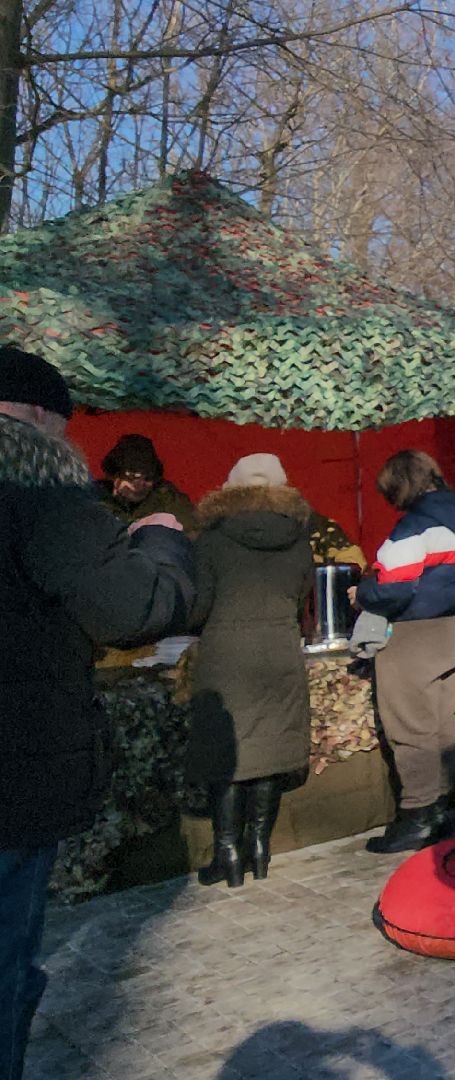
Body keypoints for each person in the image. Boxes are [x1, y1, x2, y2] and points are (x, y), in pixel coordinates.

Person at [1, 347, 195, 1080]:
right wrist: (162, 542)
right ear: (38, 417)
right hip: (16, 775)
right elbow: (137, 608)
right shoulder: (41, 499)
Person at [183, 454, 315, 887]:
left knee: (229, 754)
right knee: (270, 752)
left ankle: (228, 854)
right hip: (280, 651)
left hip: (226, 655)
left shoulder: (212, 540)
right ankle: (259, 847)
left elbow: (197, 607)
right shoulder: (298, 540)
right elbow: (301, 603)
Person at [353, 450, 455, 852]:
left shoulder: (414, 527)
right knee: (441, 725)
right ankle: (439, 807)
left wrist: (362, 592)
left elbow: (393, 586)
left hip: (415, 637)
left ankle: (416, 816)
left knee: (410, 728)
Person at [96, 433, 200, 533]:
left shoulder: (168, 498)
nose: (140, 484)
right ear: (115, 475)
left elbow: (190, 531)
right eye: (132, 477)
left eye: (148, 478)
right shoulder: (96, 495)